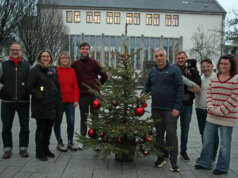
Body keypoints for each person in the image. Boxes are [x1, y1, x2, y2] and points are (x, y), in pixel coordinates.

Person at [141, 48, 184, 172]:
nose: (158, 58)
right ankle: (161, 158)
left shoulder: (174, 70)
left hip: (170, 110)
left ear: (166, 56)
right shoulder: (153, 71)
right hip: (156, 109)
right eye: (156, 56)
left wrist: (177, 107)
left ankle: (174, 162)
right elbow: (148, 85)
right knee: (159, 135)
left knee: (171, 135)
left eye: (161, 55)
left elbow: (180, 89)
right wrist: (144, 92)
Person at [195, 54, 238, 175]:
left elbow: (234, 97)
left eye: (226, 64)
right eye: (222, 63)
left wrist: (219, 111)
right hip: (212, 115)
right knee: (207, 140)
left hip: (227, 117)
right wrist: (211, 107)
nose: (223, 66)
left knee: (225, 144)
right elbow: (209, 94)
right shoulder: (215, 78)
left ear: (231, 65)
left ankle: (222, 167)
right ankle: (205, 162)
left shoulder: (235, 78)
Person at [27, 50, 61, 161]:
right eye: (43, 56)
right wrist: (40, 96)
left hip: (52, 105)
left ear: (50, 58)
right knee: (41, 129)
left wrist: (58, 98)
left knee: (49, 129)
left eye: (47, 56)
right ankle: (39, 152)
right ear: (40, 58)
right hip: (41, 105)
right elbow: (30, 87)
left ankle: (46, 148)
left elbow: (56, 86)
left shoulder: (53, 70)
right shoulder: (35, 71)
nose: (46, 58)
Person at [71, 42, 108, 140]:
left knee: (95, 118)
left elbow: (105, 75)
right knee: (84, 118)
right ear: (80, 50)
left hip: (94, 95)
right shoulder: (75, 64)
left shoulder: (95, 63)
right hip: (82, 96)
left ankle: (95, 139)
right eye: (83, 48)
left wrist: (97, 86)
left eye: (87, 49)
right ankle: (82, 139)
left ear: (89, 50)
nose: (85, 50)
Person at [0, 42, 30, 159]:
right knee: (6, 126)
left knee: (25, 127)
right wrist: (3, 90)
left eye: (17, 50)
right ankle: (7, 149)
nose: (15, 52)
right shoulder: (3, 65)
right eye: (13, 50)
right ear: (9, 51)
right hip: (7, 101)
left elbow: (31, 82)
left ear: (21, 51)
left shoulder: (27, 66)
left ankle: (23, 148)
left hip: (23, 101)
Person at [175, 51, 201, 161]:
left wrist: (183, 87)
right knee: (171, 128)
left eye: (182, 58)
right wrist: (187, 87)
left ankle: (183, 151)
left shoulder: (193, 71)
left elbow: (197, 87)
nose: (180, 60)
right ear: (176, 59)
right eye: (178, 58)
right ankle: (168, 150)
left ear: (186, 58)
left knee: (185, 129)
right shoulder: (173, 70)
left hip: (187, 105)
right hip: (175, 104)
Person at [54, 52, 79, 152]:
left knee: (71, 122)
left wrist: (76, 99)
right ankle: (59, 142)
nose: (64, 60)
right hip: (59, 102)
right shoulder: (55, 71)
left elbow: (76, 86)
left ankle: (70, 141)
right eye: (63, 58)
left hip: (70, 102)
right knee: (57, 122)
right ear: (59, 59)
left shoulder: (72, 71)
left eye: (66, 58)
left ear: (69, 60)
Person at [195, 59, 219, 164]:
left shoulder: (216, 78)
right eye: (203, 67)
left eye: (207, 66)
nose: (205, 69)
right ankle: (205, 154)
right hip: (200, 110)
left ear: (212, 66)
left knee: (213, 135)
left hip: (210, 111)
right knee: (203, 134)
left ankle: (212, 156)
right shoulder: (202, 78)